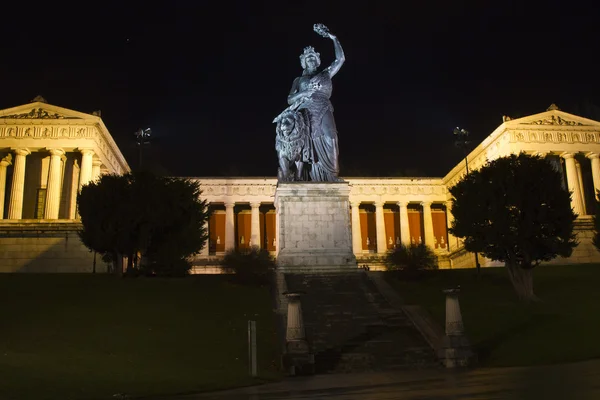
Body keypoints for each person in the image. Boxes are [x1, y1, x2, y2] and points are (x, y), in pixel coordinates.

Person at [285, 23, 345, 182]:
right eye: (307, 57)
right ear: (304, 62)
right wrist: (304, 92)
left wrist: (333, 38)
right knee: (306, 143)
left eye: (313, 57)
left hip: (324, 106)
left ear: (317, 60)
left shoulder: (326, 73)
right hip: (306, 111)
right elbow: (290, 99)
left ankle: (331, 174)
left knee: (331, 136)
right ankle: (307, 172)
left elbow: (340, 59)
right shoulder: (299, 80)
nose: (311, 59)